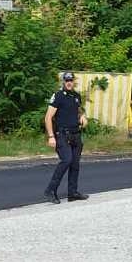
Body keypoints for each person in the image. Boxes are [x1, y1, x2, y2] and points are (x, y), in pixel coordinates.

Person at [43, 72, 89, 204]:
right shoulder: (58, 96)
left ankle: (72, 192)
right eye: (67, 80)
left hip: (75, 134)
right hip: (62, 135)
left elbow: (78, 110)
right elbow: (48, 117)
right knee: (66, 160)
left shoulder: (76, 96)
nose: (69, 82)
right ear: (63, 81)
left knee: (75, 164)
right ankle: (51, 190)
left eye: (71, 80)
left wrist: (82, 116)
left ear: (74, 81)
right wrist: (51, 136)